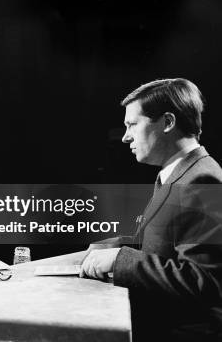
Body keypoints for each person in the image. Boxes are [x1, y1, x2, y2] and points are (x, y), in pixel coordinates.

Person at [80, 78, 222, 341]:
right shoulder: (178, 174)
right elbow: (166, 247)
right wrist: (117, 246)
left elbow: (206, 281)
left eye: (132, 124)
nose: (125, 137)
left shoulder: (203, 180)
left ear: (168, 122)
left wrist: (120, 260)